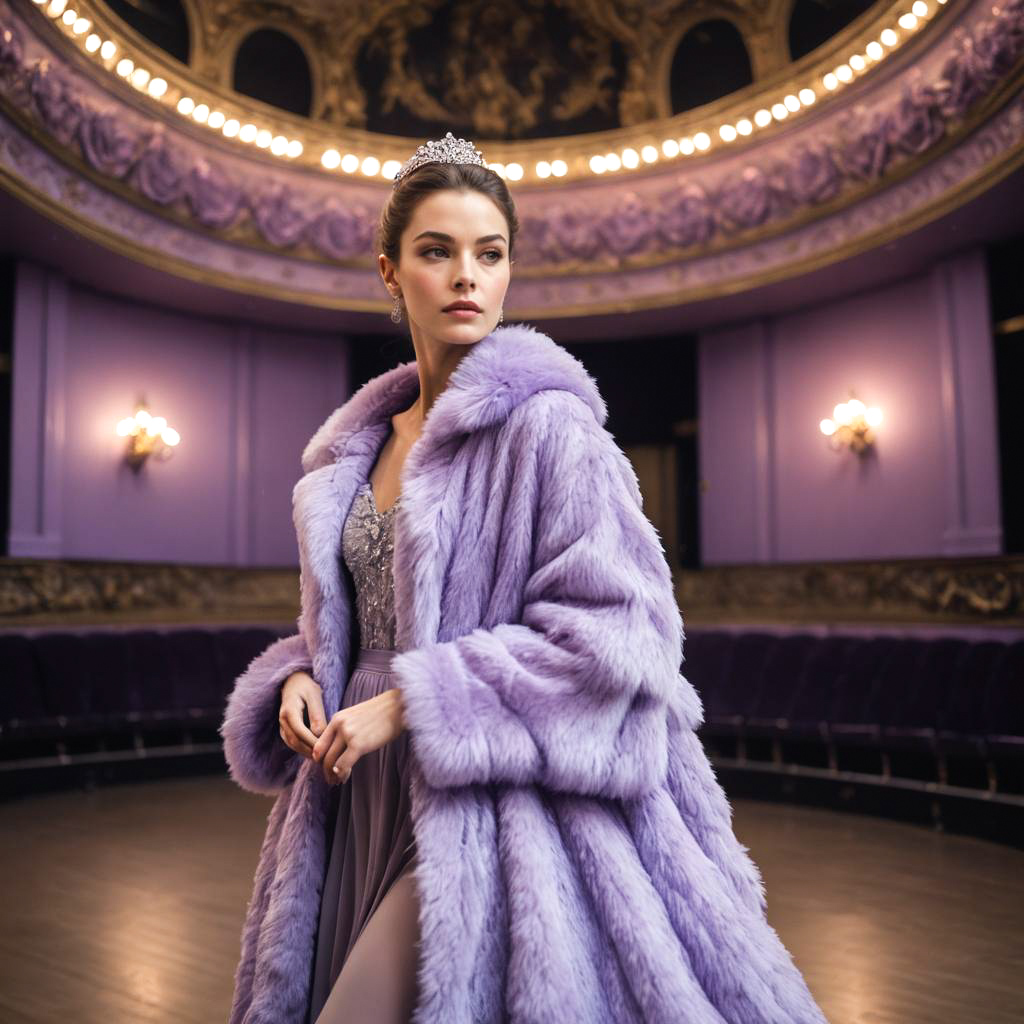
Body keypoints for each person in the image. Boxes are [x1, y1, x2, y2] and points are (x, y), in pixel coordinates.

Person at [220, 133, 830, 1024]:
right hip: (353, 791)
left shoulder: (552, 432)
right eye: (437, 252)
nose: (467, 275)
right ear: (391, 273)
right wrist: (300, 677)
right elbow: (342, 625)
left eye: (490, 253)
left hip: (491, 799)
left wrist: (417, 701)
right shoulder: (344, 464)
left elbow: (624, 634)